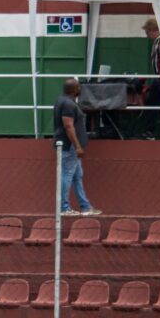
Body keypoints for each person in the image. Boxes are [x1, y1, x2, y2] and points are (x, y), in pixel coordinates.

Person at [54, 78, 101, 216]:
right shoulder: (69, 104)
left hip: (68, 145)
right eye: (79, 87)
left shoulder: (61, 100)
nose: (80, 89)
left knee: (77, 175)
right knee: (67, 175)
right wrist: (78, 146)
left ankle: (85, 206)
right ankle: (64, 207)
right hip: (70, 146)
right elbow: (69, 126)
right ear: (75, 89)